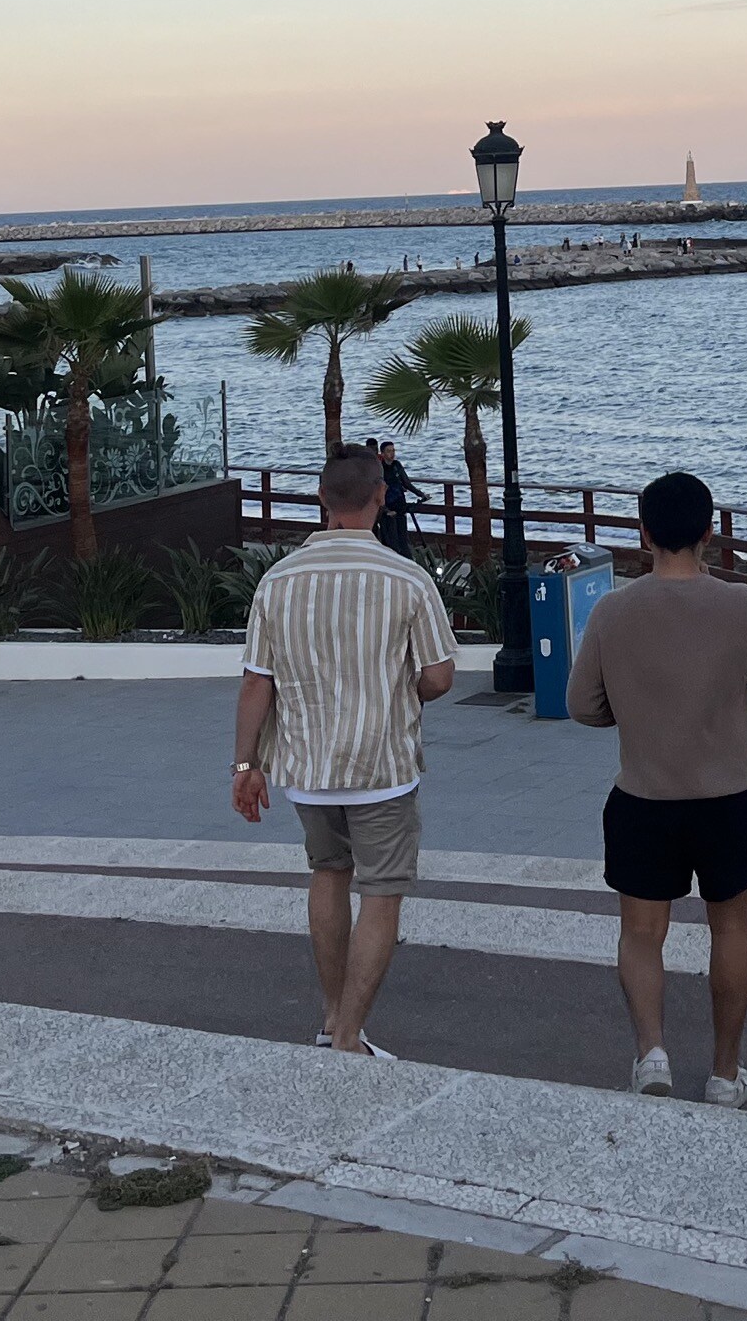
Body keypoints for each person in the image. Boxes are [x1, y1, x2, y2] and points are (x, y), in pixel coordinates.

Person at [230, 449, 458, 1057]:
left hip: (307, 769)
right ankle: (350, 1037)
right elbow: (439, 676)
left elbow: (258, 680)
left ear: (322, 501)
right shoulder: (407, 579)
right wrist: (393, 695)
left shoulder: (278, 581)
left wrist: (246, 766)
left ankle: (332, 1016)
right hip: (382, 767)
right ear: (382, 497)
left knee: (328, 876)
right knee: (381, 893)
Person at [569, 470, 747, 1107]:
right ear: (709, 532)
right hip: (733, 795)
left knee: (641, 934)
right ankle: (724, 1072)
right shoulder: (741, 603)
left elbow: (582, 705)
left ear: (643, 533)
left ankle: (651, 1054)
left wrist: (632, 712)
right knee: (732, 929)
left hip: (644, 797)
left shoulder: (613, 610)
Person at [373, 440, 424, 561]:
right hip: (387, 506)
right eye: (389, 451)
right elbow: (378, 490)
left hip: (400, 504)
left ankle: (407, 562)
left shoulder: (397, 465)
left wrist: (420, 494)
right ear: (383, 453)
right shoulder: (380, 468)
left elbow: (406, 483)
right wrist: (385, 509)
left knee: (403, 538)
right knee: (391, 541)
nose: (392, 453)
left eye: (393, 450)